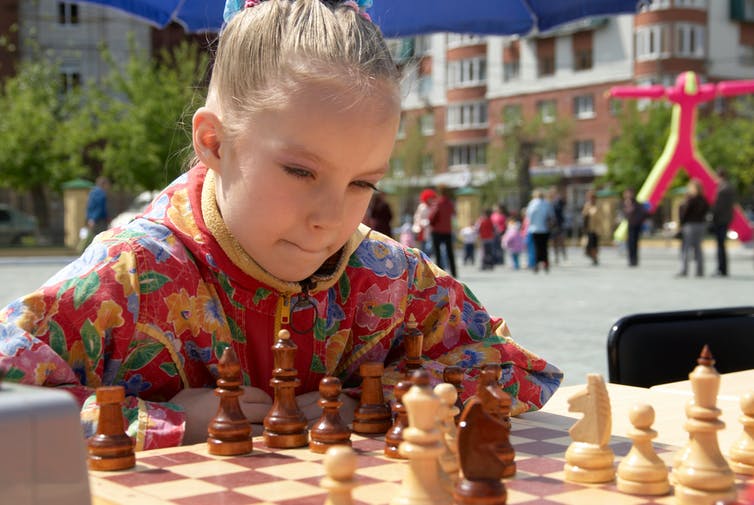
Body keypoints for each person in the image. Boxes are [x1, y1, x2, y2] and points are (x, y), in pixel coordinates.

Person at [0, 0, 561, 450]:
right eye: (300, 171)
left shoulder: (385, 277)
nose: (330, 218)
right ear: (215, 142)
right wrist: (164, 421)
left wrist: (385, 395)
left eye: (362, 183)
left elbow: (516, 372)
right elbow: (8, 394)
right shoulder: (129, 277)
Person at [676, 179, 710, 278]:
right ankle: (700, 270)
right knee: (698, 248)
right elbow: (706, 212)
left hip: (690, 225)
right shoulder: (704, 200)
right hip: (700, 225)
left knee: (686, 248)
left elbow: (684, 213)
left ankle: (684, 270)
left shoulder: (690, 200)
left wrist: (681, 224)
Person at [710, 168, 736, 277]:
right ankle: (722, 268)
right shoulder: (729, 187)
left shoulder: (723, 189)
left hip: (720, 220)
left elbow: (718, 207)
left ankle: (722, 269)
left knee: (720, 245)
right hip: (726, 219)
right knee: (721, 245)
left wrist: (712, 217)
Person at [429, 185, 458, 278]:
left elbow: (432, 216)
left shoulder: (437, 202)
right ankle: (454, 271)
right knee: (450, 252)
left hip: (437, 230)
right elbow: (453, 214)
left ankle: (440, 272)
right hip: (447, 230)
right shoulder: (450, 203)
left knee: (438, 253)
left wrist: (431, 223)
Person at [525, 189, 555, 273]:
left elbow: (529, 216)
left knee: (536, 247)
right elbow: (552, 216)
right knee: (544, 247)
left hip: (534, 229)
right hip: (545, 229)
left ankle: (536, 264)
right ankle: (545, 263)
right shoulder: (547, 203)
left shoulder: (532, 203)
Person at [80, 176, 111, 251]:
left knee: (93, 236)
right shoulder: (101, 194)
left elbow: (89, 207)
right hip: (99, 220)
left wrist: (89, 218)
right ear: (103, 184)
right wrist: (94, 219)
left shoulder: (92, 192)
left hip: (92, 219)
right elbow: (99, 208)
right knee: (101, 238)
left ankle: (86, 249)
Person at [622, 187, 647, 267]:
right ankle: (631, 259)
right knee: (630, 243)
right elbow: (626, 215)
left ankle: (634, 260)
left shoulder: (637, 204)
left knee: (634, 243)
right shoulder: (626, 203)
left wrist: (638, 221)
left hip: (636, 225)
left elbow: (643, 214)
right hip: (630, 225)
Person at [581, 189, 606, 266]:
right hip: (589, 228)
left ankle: (595, 258)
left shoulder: (598, 205)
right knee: (588, 245)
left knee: (595, 245)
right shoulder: (587, 205)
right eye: (589, 197)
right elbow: (584, 215)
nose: (591, 198)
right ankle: (592, 256)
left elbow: (601, 217)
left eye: (592, 197)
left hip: (596, 228)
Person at [412, 188, 436, 254]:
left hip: (431, 230)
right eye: (429, 198)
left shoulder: (433, 207)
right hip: (422, 230)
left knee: (430, 248)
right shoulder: (422, 207)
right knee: (423, 248)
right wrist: (425, 222)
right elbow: (417, 218)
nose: (431, 200)